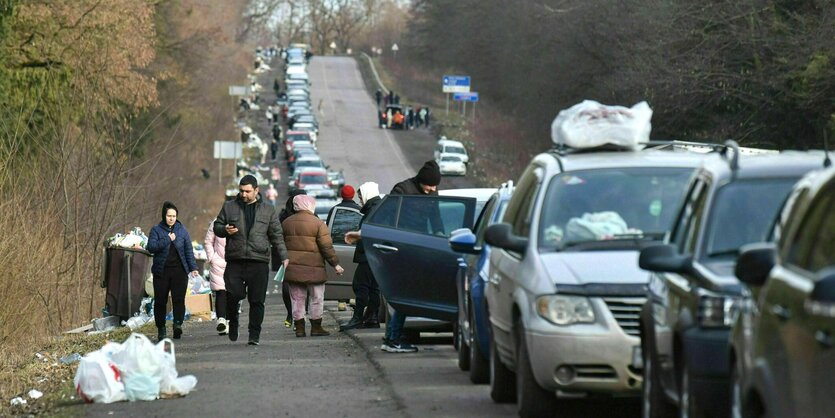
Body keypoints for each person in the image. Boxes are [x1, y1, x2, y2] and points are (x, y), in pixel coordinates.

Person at [213, 175, 289, 345]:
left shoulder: (268, 210)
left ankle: (254, 334)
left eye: (247, 191)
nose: (244, 194)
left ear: (256, 190)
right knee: (233, 295)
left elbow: (277, 235)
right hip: (235, 259)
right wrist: (224, 229)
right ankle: (233, 321)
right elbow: (217, 226)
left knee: (257, 300)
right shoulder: (229, 207)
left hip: (259, 261)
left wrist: (284, 256)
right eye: (241, 191)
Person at [383, 160, 442, 352]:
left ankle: (392, 337)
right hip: (402, 248)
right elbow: (388, 216)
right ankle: (393, 338)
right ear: (421, 180)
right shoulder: (402, 190)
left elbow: (436, 218)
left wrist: (440, 235)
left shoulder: (432, 192)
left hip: (420, 248)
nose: (431, 189)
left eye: (435, 186)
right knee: (404, 293)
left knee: (406, 293)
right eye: (429, 185)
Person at [282, 195, 344, 337]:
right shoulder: (318, 223)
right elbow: (326, 247)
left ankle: (299, 328)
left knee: (297, 298)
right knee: (316, 297)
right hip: (314, 269)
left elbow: (280, 245)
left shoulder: (286, 223)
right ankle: (316, 327)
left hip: (293, 268)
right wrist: (335, 264)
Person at [147, 202, 199, 342]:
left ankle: (177, 324)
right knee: (160, 301)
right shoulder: (156, 230)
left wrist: (193, 268)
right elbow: (151, 247)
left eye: (174, 216)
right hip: (161, 271)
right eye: (169, 216)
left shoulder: (182, 230)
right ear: (164, 216)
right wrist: (167, 239)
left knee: (178, 299)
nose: (171, 218)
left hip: (179, 271)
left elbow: (188, 250)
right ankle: (161, 329)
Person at [341, 182, 384, 331]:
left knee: (361, 286)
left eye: (360, 196)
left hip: (368, 255)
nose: (360, 200)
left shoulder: (372, 210)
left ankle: (358, 318)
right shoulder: (378, 207)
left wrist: (356, 237)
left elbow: (369, 231)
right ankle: (371, 318)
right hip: (375, 256)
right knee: (373, 288)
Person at [279, 189, 308, 327]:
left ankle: (300, 315)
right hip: (288, 257)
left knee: (304, 288)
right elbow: (277, 236)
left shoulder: (311, 216)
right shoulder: (284, 217)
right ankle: (291, 313)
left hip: (306, 256)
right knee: (286, 289)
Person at [204, 220, 229, 335]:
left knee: (233, 294)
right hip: (218, 262)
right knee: (220, 292)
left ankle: (229, 321)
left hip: (235, 262)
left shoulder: (240, 219)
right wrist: (212, 257)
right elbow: (208, 241)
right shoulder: (216, 223)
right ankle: (221, 320)